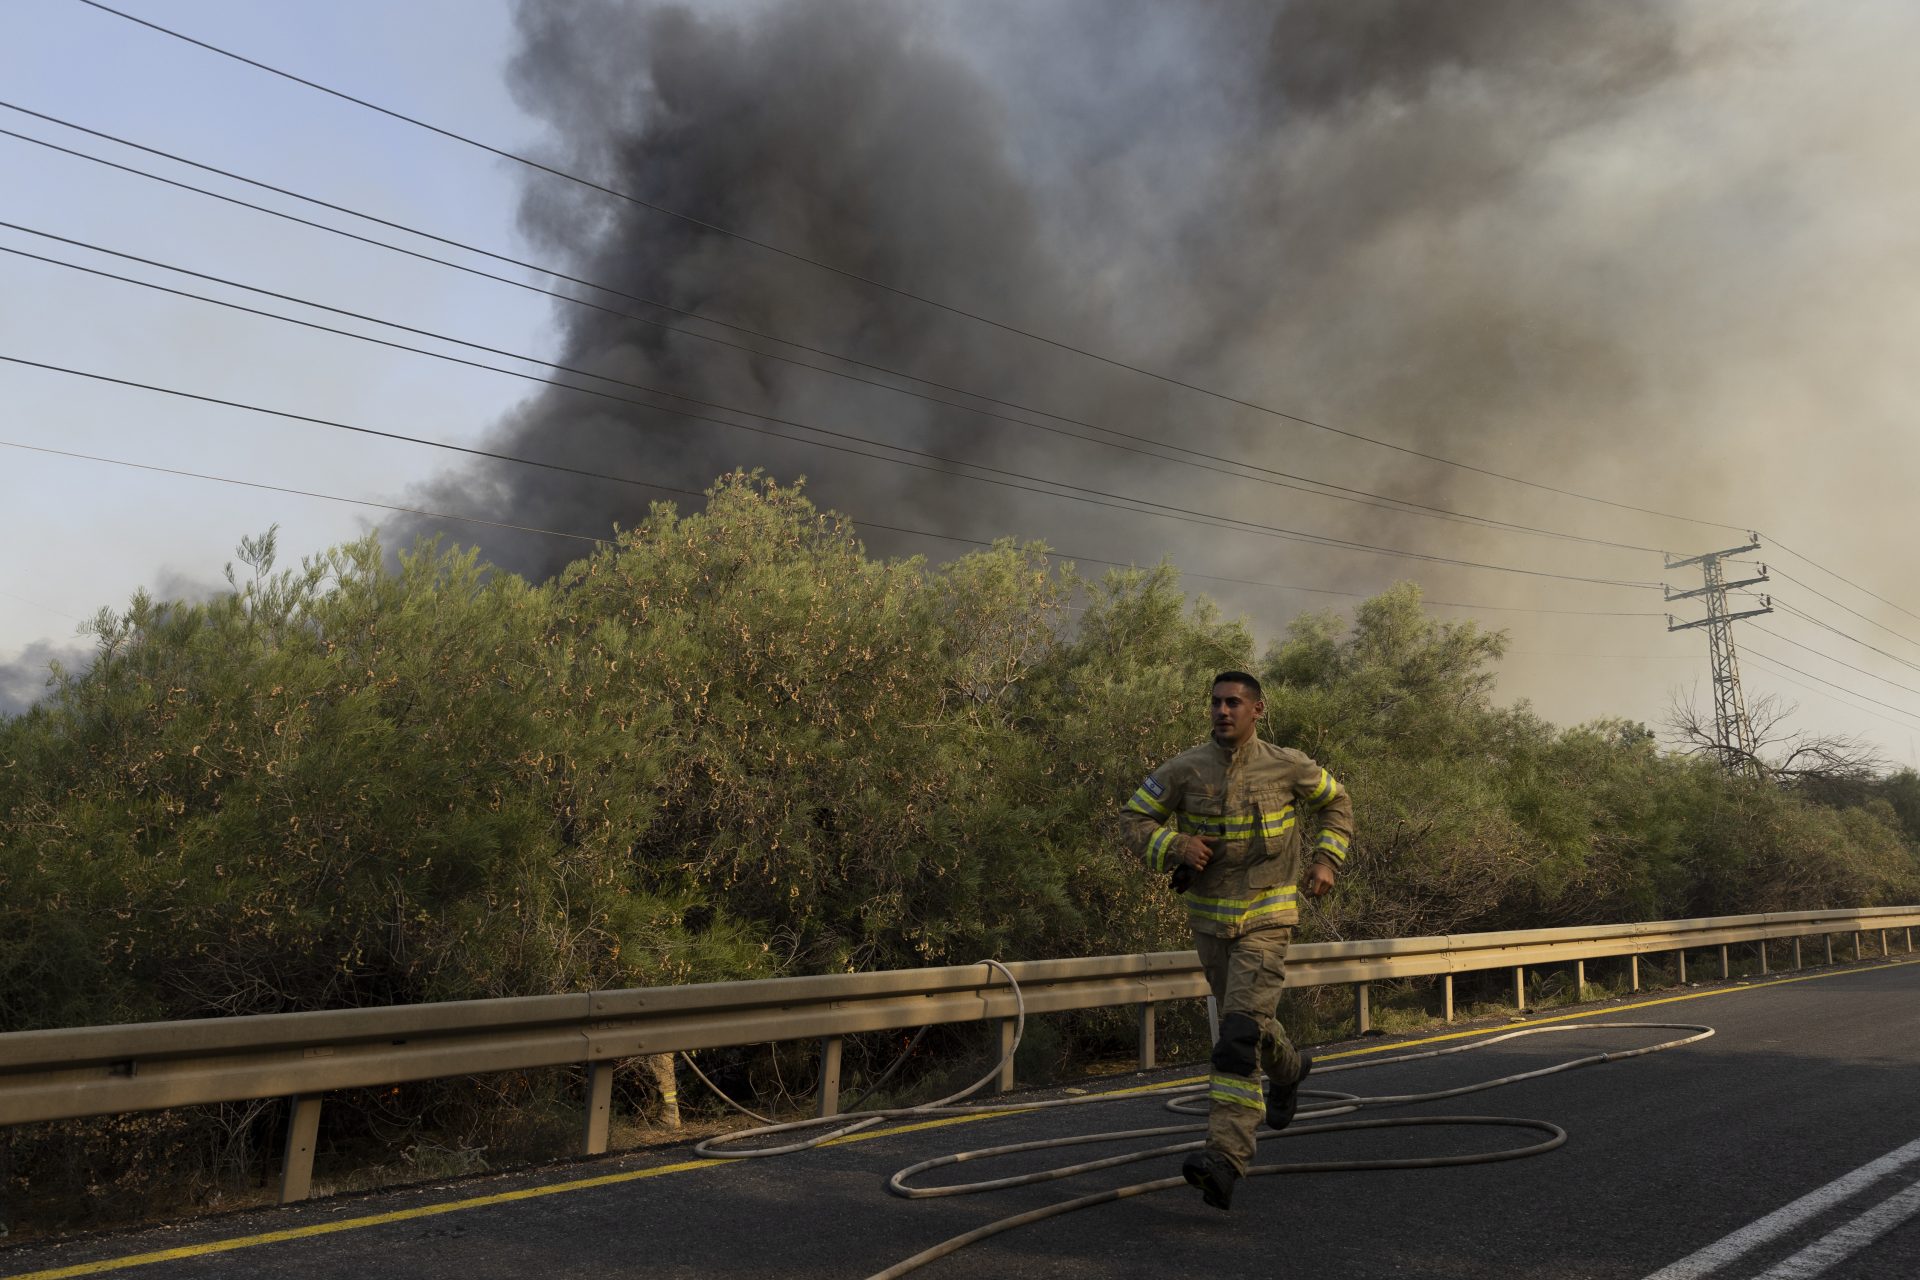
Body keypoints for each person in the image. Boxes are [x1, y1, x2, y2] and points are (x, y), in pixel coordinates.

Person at [1119, 670, 1354, 1211]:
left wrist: (1325, 859)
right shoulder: (1185, 768)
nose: (1223, 712)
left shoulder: (1289, 765)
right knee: (1245, 1028)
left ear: (1258, 710)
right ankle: (1291, 1070)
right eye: (1216, 704)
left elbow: (1336, 803)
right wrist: (1175, 843)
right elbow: (1132, 819)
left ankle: (1224, 1158)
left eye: (1234, 703)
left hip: (1269, 920)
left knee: (1237, 1038)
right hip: (1211, 928)